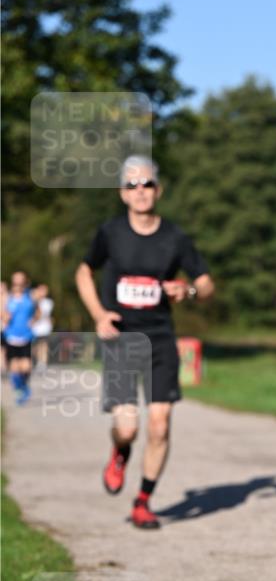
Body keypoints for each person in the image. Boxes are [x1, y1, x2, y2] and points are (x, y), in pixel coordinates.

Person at [75, 156, 214, 530]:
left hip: (160, 338)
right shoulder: (111, 232)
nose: (141, 191)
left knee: (159, 425)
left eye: (147, 184)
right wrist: (99, 314)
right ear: (123, 193)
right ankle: (119, 452)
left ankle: (143, 501)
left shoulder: (175, 238)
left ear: (158, 190)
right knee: (128, 428)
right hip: (121, 338)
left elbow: (205, 283)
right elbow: (84, 270)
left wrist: (186, 289)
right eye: (132, 185)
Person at [3, 271, 39, 405]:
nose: (18, 283)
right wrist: (6, 317)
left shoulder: (31, 296)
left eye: (20, 281)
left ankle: (24, 387)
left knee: (26, 367)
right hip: (11, 335)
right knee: (14, 368)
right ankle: (20, 390)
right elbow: (3, 314)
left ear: (25, 281)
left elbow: (38, 311)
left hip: (26, 335)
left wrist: (34, 319)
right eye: (15, 281)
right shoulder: (7, 297)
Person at [31, 283, 55, 370]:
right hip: (34, 328)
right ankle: (35, 360)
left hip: (44, 328)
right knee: (34, 347)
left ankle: (42, 363)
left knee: (43, 345)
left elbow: (41, 314)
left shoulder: (48, 302)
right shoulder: (31, 300)